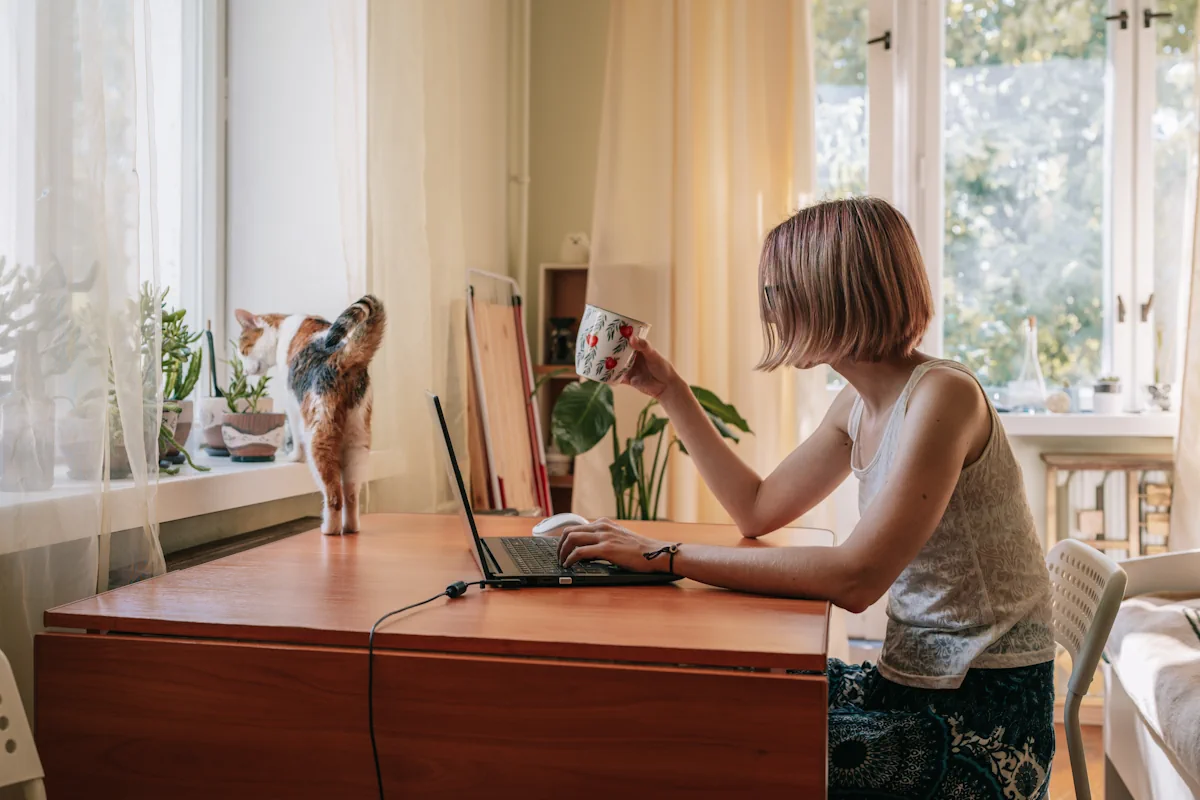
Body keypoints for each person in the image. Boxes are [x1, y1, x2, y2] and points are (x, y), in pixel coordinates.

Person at [557, 197, 1057, 800]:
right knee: (715, 701)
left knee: (726, 747)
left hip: (984, 717)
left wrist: (664, 555)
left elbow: (856, 578)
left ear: (831, 292)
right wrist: (670, 392)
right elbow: (757, 508)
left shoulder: (942, 397)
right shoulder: (858, 405)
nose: (769, 308)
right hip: (911, 683)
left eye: (777, 290)